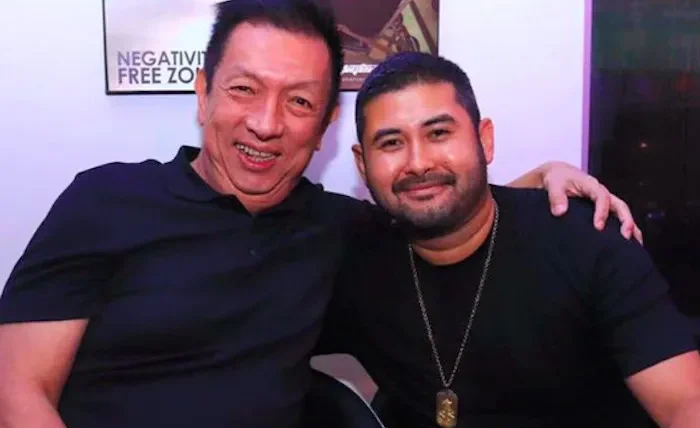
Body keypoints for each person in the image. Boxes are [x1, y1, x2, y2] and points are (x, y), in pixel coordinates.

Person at [0, 1, 640, 428]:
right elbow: (17, 390)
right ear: (203, 93)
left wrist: (548, 176)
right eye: (244, 90)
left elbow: (449, 208)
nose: (266, 123)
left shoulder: (338, 229)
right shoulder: (105, 201)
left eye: (299, 102)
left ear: (327, 125)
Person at [315, 51, 700, 428]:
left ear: (484, 140)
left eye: (439, 133)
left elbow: (684, 401)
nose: (418, 163)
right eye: (391, 143)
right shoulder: (351, 259)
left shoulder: (586, 240)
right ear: (363, 164)